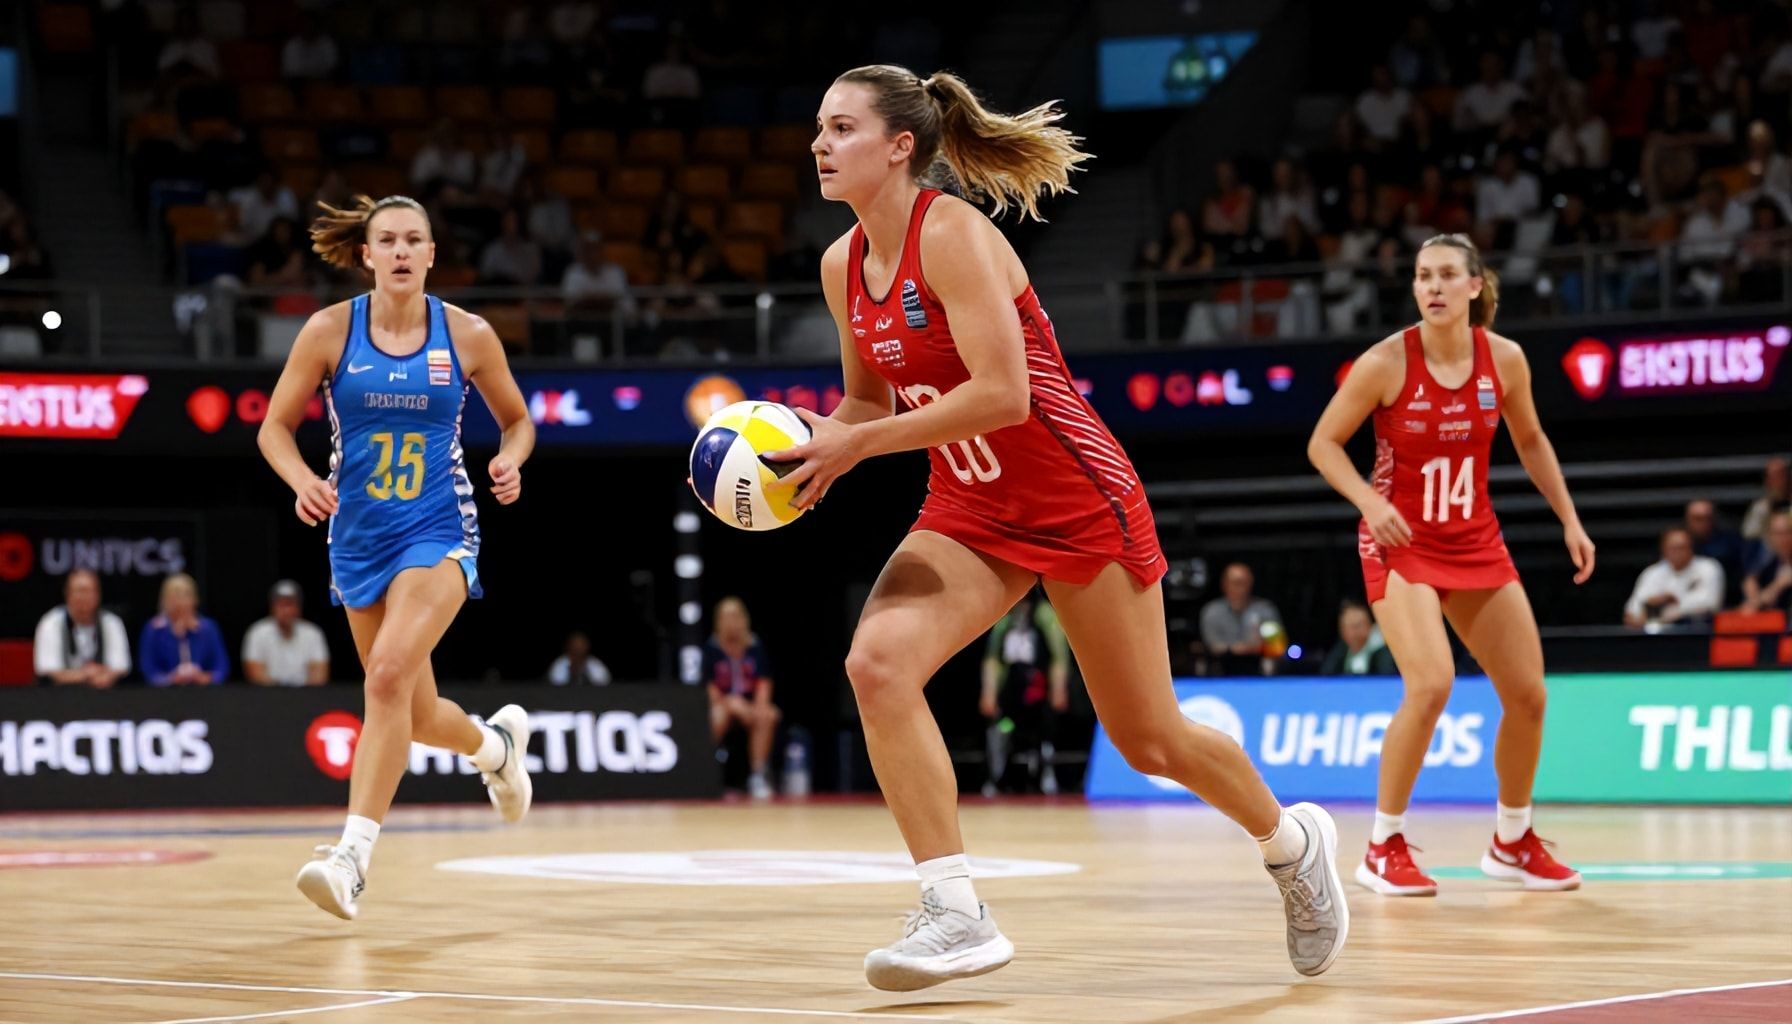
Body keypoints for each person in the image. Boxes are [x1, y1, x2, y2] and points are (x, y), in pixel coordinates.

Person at [761, 64, 1347, 990]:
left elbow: (1005, 395)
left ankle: (1291, 845)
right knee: (876, 664)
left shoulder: (953, 234)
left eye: (840, 129)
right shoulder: (842, 265)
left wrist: (858, 446)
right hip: (970, 504)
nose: (819, 145)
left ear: (900, 145)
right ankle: (954, 911)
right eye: (820, 130)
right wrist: (794, 453)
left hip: (1076, 495)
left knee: (1151, 739)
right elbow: (864, 402)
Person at [258, 193, 536, 921]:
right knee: (411, 712)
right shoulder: (327, 331)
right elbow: (274, 430)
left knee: (383, 677)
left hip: (438, 531)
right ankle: (495, 747)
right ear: (367, 255)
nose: (404, 251)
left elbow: (518, 420)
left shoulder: (468, 334)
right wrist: (303, 481)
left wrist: (510, 460)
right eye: (390, 240)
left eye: (416, 239)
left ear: (432, 255)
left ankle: (351, 857)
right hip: (356, 538)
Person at [1308, 233, 1595, 898]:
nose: (1431, 287)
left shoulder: (1507, 360)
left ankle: (1513, 840)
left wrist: (1570, 519)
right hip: (1400, 538)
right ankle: (1382, 845)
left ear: (1474, 285)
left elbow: (1531, 439)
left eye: (1445, 276)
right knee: (1431, 684)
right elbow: (1323, 444)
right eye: (1421, 277)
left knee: (1528, 695)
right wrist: (1367, 502)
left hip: (1474, 539)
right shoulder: (1384, 363)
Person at [978, 588, 1069, 796]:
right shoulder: (1004, 616)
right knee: (1002, 727)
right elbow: (993, 658)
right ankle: (996, 776)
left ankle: (1046, 772)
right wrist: (989, 692)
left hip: (1038, 688)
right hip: (1011, 689)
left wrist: (1058, 688)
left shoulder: (1045, 615)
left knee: (1044, 731)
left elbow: (1059, 657)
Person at [702, 597, 780, 799]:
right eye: (726, 616)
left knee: (768, 715)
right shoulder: (711, 648)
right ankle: (707, 774)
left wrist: (758, 708)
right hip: (723, 705)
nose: (731, 621)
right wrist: (732, 705)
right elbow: (709, 689)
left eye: (735, 616)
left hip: (749, 706)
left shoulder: (754, 646)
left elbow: (764, 683)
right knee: (717, 717)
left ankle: (758, 776)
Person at [33, 569, 130, 687]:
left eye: (90, 591)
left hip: (104, 696)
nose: (85, 596)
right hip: (59, 697)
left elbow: (120, 667)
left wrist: (105, 677)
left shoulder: (112, 623)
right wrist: (88, 674)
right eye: (80, 591)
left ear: (98, 595)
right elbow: (51, 671)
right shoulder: (51, 623)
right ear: (67, 594)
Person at [140, 573, 230, 686]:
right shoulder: (154, 629)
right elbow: (150, 672)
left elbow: (221, 668)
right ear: (163, 601)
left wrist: (205, 678)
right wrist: (170, 679)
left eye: (185, 595)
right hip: (165, 695)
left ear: (195, 599)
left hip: (204, 693)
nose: (180, 602)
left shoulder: (208, 628)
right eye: (174, 596)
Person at [1625, 526, 1725, 626]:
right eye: (1673, 548)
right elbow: (1632, 612)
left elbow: (1711, 604)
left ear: (1691, 547)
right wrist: (1661, 604)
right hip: (1655, 635)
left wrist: (1668, 605)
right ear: (1663, 549)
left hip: (1696, 632)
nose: (1678, 552)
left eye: (1682, 547)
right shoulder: (1652, 573)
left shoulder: (1709, 567)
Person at [1198, 563, 1282, 676]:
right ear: (1224, 584)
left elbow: (1276, 645)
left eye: (1244, 583)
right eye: (1235, 583)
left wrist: (1259, 647)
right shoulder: (1212, 611)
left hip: (1258, 668)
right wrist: (1241, 648)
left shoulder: (1265, 610)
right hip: (1223, 668)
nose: (1240, 588)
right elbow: (1213, 645)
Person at [242, 580, 331, 686]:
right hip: (268, 696)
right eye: (281, 605)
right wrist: (282, 693)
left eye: (290, 605)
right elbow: (254, 673)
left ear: (299, 607)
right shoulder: (257, 632)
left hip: (305, 696)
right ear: (272, 607)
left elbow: (319, 675)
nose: (286, 611)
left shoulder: (313, 633)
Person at [1320, 600, 1397, 676]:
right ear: (1342, 630)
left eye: (1359, 625)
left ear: (1370, 626)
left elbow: (1386, 676)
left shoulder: (1381, 648)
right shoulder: (1341, 649)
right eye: (1352, 626)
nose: (1356, 632)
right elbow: (1326, 674)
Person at [1741, 511, 1792, 613]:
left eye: (1787, 532)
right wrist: (1756, 599)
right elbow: (1750, 584)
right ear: (1769, 537)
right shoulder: (1768, 564)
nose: (1783, 539)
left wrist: (1777, 587)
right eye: (1777, 534)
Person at [547, 630, 611, 684]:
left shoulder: (595, 664)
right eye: (575, 646)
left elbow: (603, 683)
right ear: (569, 646)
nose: (578, 649)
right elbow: (556, 683)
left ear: (587, 647)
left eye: (581, 646)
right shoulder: (559, 664)